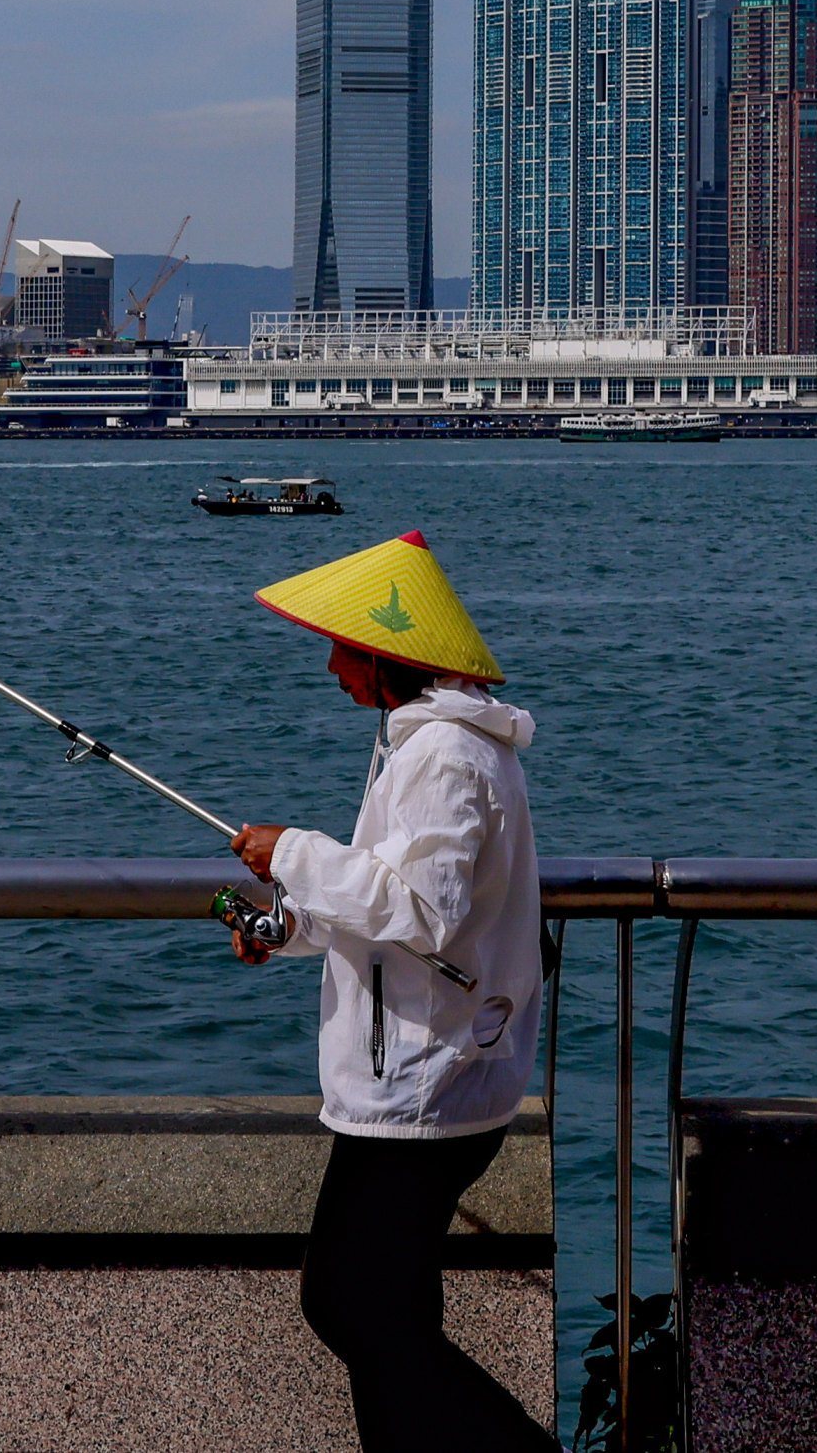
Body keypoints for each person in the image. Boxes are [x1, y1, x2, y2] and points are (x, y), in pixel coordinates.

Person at [225, 529, 551, 1453]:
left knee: (350, 1304)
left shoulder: (444, 756)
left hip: (424, 1083)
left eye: (342, 648)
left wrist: (292, 851)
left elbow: (422, 908)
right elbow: (391, 900)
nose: (330, 666)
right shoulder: (427, 743)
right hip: (425, 1073)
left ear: (388, 656)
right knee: (384, 1314)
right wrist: (290, 927)